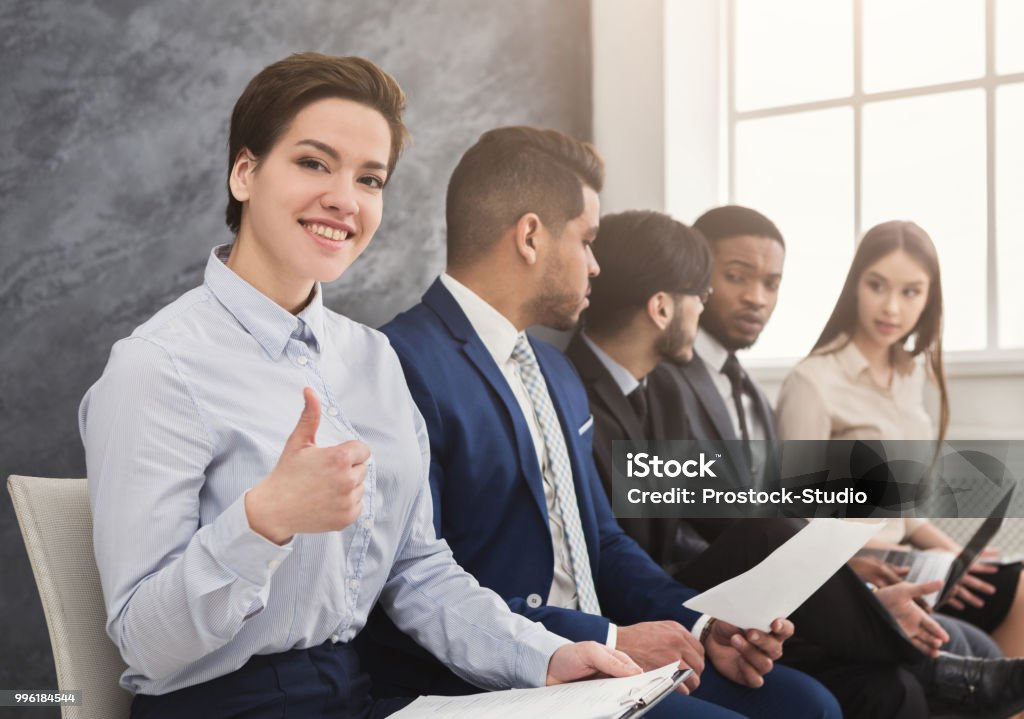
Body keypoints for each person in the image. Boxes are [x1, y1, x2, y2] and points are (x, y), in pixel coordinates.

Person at [78, 54, 644, 719]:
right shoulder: (158, 366)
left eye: (370, 178)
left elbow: (418, 573)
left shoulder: (373, 358)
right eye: (314, 163)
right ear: (245, 172)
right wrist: (264, 520)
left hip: (357, 696)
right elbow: (144, 641)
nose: (345, 198)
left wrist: (542, 655)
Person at [357, 127, 842, 719]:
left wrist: (703, 623)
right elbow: (419, 582)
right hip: (498, 676)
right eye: (586, 241)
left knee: (808, 706)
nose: (594, 265)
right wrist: (606, 638)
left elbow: (602, 541)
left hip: (599, 655)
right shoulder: (400, 364)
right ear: (531, 236)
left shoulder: (556, 374)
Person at [570, 208, 1024, 718]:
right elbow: (683, 526)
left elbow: (723, 504)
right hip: (662, 587)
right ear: (661, 307)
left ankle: (895, 639)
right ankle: (908, 649)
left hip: (717, 579)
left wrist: (848, 580)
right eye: (705, 293)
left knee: (888, 671)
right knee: (772, 535)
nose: (718, 304)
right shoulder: (590, 389)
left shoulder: (667, 387)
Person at [775, 220, 1024, 658]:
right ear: (855, 285)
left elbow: (906, 517)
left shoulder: (910, 378)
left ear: (929, 299)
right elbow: (798, 520)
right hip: (859, 571)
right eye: (877, 285)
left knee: (1016, 583)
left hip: (911, 559)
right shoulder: (814, 383)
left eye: (910, 292)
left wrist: (961, 560)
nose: (891, 307)